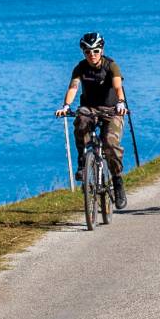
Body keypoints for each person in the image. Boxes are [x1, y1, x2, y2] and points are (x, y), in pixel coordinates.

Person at [57, 31, 127, 209]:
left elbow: (118, 86)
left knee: (110, 143)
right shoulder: (80, 67)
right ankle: (82, 160)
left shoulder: (111, 66)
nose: (92, 55)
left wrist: (120, 103)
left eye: (95, 51)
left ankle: (118, 182)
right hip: (90, 108)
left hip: (112, 110)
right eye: (87, 52)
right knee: (80, 121)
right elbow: (73, 87)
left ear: (101, 50)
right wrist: (66, 106)